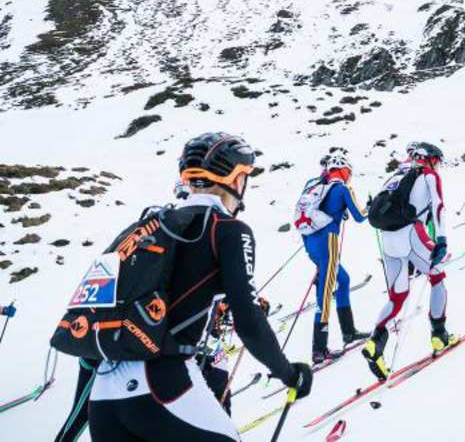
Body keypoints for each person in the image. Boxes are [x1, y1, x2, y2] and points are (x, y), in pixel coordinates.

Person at [67, 133, 310, 442]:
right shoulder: (229, 229)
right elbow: (248, 322)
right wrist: (290, 375)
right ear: (235, 180)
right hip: (163, 387)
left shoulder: (152, 224)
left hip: (103, 397)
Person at [361, 142, 456, 381]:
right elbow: (439, 207)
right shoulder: (428, 175)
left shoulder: (395, 174)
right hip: (412, 233)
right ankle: (439, 334)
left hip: (389, 238)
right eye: (438, 161)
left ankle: (375, 344)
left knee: (397, 296)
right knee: (437, 277)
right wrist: (442, 240)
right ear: (431, 159)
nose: (439, 166)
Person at [296, 150, 370, 364]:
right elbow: (359, 216)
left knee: (343, 280)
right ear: (343, 170)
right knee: (325, 293)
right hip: (328, 241)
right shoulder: (342, 188)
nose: (350, 175)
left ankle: (348, 332)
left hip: (310, 241)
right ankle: (319, 349)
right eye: (349, 171)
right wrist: (371, 206)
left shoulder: (315, 185)